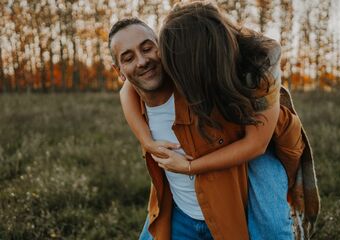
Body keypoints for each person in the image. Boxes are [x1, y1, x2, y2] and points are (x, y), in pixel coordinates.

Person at [109, 2, 319, 240]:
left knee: (269, 222)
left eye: (147, 49)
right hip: (193, 195)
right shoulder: (159, 67)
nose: (142, 61)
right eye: (129, 57)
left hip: (264, 139)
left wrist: (189, 167)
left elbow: (256, 144)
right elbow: (127, 88)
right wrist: (146, 141)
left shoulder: (260, 61)